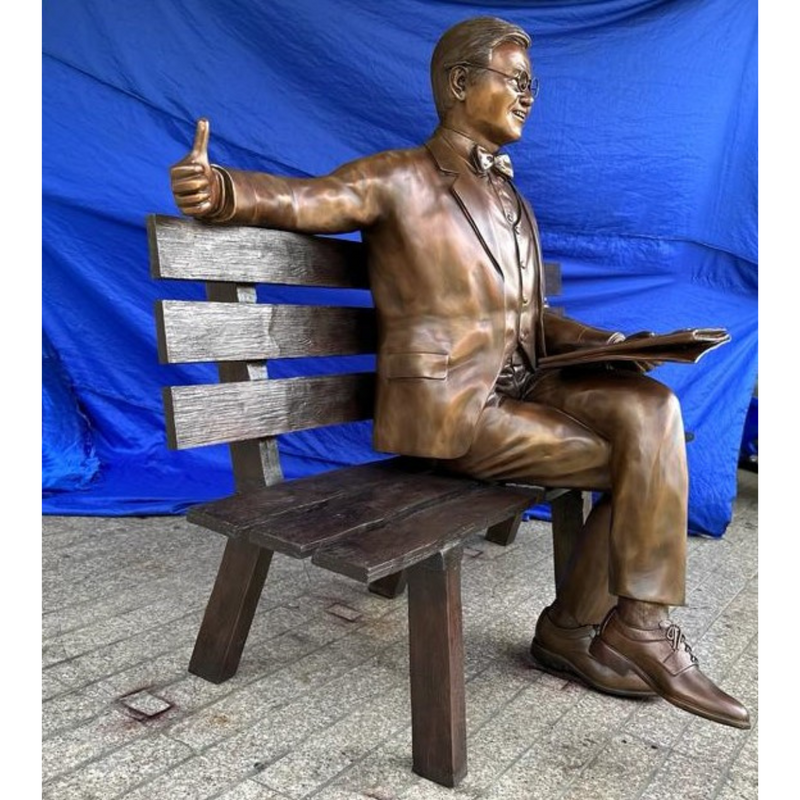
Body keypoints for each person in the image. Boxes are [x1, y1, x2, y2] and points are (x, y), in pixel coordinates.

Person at [169, 16, 749, 729]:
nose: (529, 96)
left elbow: (534, 319)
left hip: (522, 392)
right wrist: (221, 189)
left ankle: (627, 627)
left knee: (650, 411)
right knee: (649, 455)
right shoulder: (400, 177)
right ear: (458, 83)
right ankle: (584, 632)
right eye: (516, 80)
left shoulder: (514, 201)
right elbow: (307, 200)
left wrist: (615, 342)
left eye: (532, 84)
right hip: (452, 410)